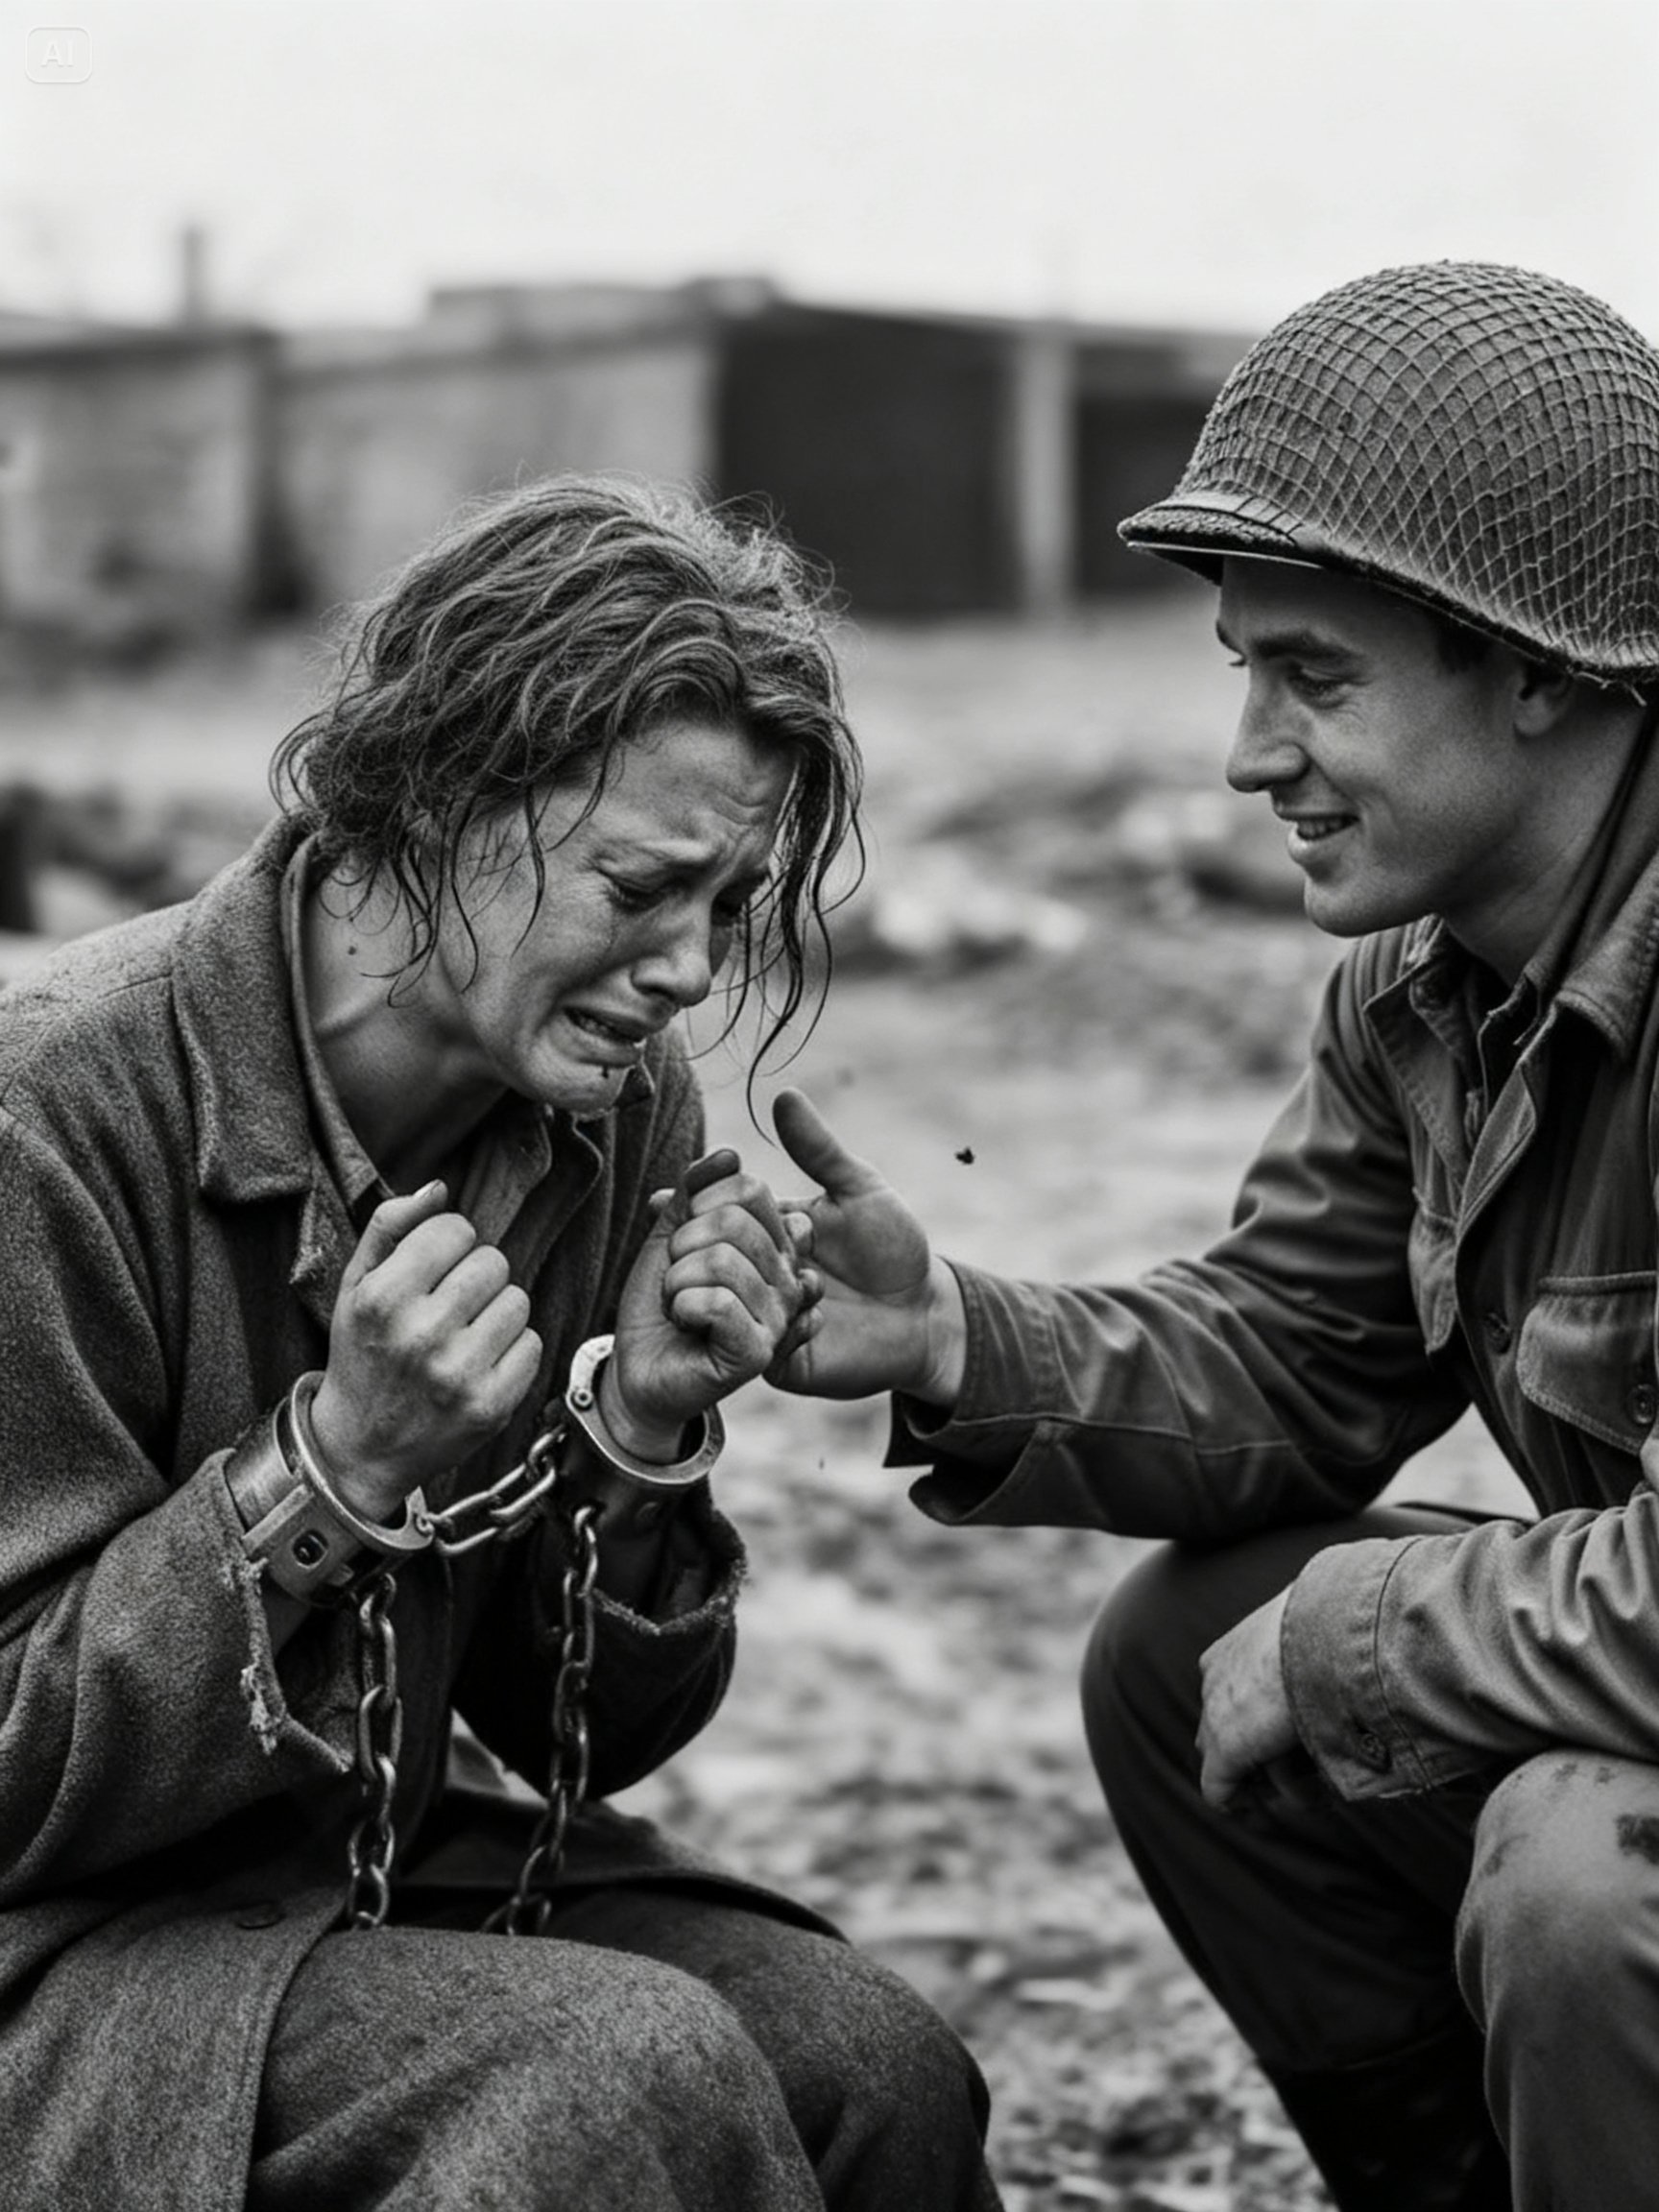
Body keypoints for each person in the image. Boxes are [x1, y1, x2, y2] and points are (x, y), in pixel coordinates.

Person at [765, 261, 1659, 2212]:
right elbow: (1294, 1357)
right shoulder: (1432, 991)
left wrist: (1368, 1635)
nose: (1250, 755)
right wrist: (948, 1343)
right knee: (1186, 1657)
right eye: (1242, 670)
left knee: (1584, 1874)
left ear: (1544, 671)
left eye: (1316, 677)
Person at [0, 475, 1002, 2212]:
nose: (691, 968)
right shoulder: (49, 1120)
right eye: (642, 886)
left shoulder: (602, 1105)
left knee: (870, 2064)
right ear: (443, 796)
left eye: (732, 905)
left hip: (356, 1876)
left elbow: (585, 1743)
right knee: (617, 2077)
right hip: (59, 1959)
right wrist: (325, 1476)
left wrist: (645, 1441)